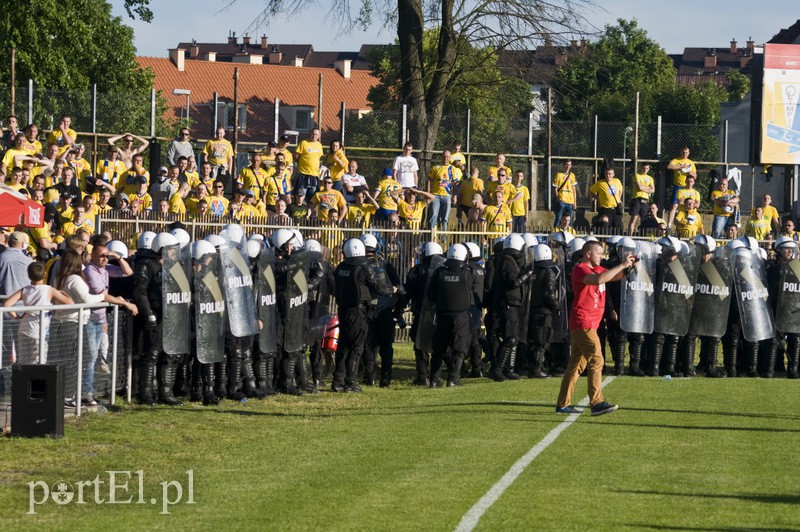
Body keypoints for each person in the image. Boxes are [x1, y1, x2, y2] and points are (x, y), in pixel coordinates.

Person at [555, 240, 634, 415]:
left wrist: (630, 267)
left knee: (576, 366)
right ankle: (596, 402)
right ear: (588, 254)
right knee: (597, 359)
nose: (602, 256)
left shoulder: (597, 269)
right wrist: (622, 264)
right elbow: (598, 280)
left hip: (589, 323)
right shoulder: (580, 269)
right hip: (583, 323)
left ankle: (562, 404)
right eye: (599, 253)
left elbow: (616, 277)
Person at [52, 249, 137, 406]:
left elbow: (128, 273)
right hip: (73, 322)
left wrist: (117, 257)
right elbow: (88, 298)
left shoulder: (60, 277)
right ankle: (70, 395)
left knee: (76, 359)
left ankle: (75, 394)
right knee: (75, 360)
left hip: (69, 321)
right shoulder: (74, 279)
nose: (105, 258)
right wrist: (103, 295)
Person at [332, 238, 382, 392]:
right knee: (356, 346)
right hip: (358, 312)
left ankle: (338, 381)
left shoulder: (340, 267)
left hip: (343, 310)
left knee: (343, 346)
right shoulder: (362, 268)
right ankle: (351, 382)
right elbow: (377, 286)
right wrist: (392, 290)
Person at [2, 262, 73, 364]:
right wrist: (63, 292)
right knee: (38, 363)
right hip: (40, 330)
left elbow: (6, 304)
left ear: (29, 275)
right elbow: (69, 302)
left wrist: (17, 317)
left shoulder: (25, 289)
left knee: (23, 362)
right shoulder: (49, 290)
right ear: (44, 274)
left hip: (24, 328)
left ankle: (23, 380)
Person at [427, 244, 476, 387]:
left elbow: (431, 294)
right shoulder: (467, 274)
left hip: (442, 315)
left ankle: (434, 379)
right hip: (461, 316)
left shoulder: (439, 272)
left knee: (439, 348)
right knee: (460, 348)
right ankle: (453, 378)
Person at [427, 150, 460, 229]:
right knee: (433, 216)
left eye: (447, 157)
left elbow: (455, 184)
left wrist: (455, 196)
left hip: (447, 196)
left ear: (450, 158)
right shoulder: (436, 168)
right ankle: (432, 236)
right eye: (444, 156)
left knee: (445, 218)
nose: (446, 158)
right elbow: (429, 180)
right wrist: (428, 193)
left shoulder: (453, 169)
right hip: (435, 195)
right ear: (441, 157)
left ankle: (443, 237)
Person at [666, 146, 697, 227]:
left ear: (689, 153)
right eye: (683, 152)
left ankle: (689, 223)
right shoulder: (676, 160)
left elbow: (695, 176)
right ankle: (669, 225)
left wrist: (689, 172)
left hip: (688, 188)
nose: (685, 154)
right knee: (674, 205)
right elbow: (669, 166)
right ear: (680, 152)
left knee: (689, 206)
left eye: (686, 153)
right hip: (678, 187)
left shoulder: (691, 163)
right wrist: (681, 167)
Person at [588, 167, 624, 231]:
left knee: (619, 227)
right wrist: (597, 198)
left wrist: (619, 198)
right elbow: (591, 190)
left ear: (613, 174)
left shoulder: (617, 181)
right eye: (606, 174)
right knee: (605, 227)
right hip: (605, 209)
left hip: (616, 208)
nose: (608, 175)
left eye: (610, 174)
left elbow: (621, 189)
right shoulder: (600, 183)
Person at [294, 127, 324, 199]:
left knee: (312, 197)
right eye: (313, 134)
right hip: (303, 173)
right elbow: (296, 156)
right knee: (301, 195)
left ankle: (310, 210)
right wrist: (303, 164)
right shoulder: (303, 143)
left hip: (314, 174)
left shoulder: (319, 145)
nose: (314, 136)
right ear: (310, 134)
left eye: (316, 134)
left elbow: (320, 158)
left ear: (319, 136)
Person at [627, 162, 654, 235]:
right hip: (637, 198)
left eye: (647, 168)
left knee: (644, 219)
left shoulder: (650, 178)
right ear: (641, 168)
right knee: (634, 218)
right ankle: (630, 235)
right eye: (644, 168)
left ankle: (642, 235)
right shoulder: (637, 176)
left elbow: (653, 190)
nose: (645, 169)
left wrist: (643, 188)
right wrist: (648, 188)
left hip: (645, 199)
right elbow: (639, 187)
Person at [553, 160, 578, 228]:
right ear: (563, 165)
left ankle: (569, 232)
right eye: (566, 164)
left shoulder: (572, 175)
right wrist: (557, 197)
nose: (568, 166)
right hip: (562, 199)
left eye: (569, 165)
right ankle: (556, 230)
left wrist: (575, 202)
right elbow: (555, 188)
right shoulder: (559, 175)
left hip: (570, 200)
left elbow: (574, 189)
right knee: (559, 216)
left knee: (570, 218)